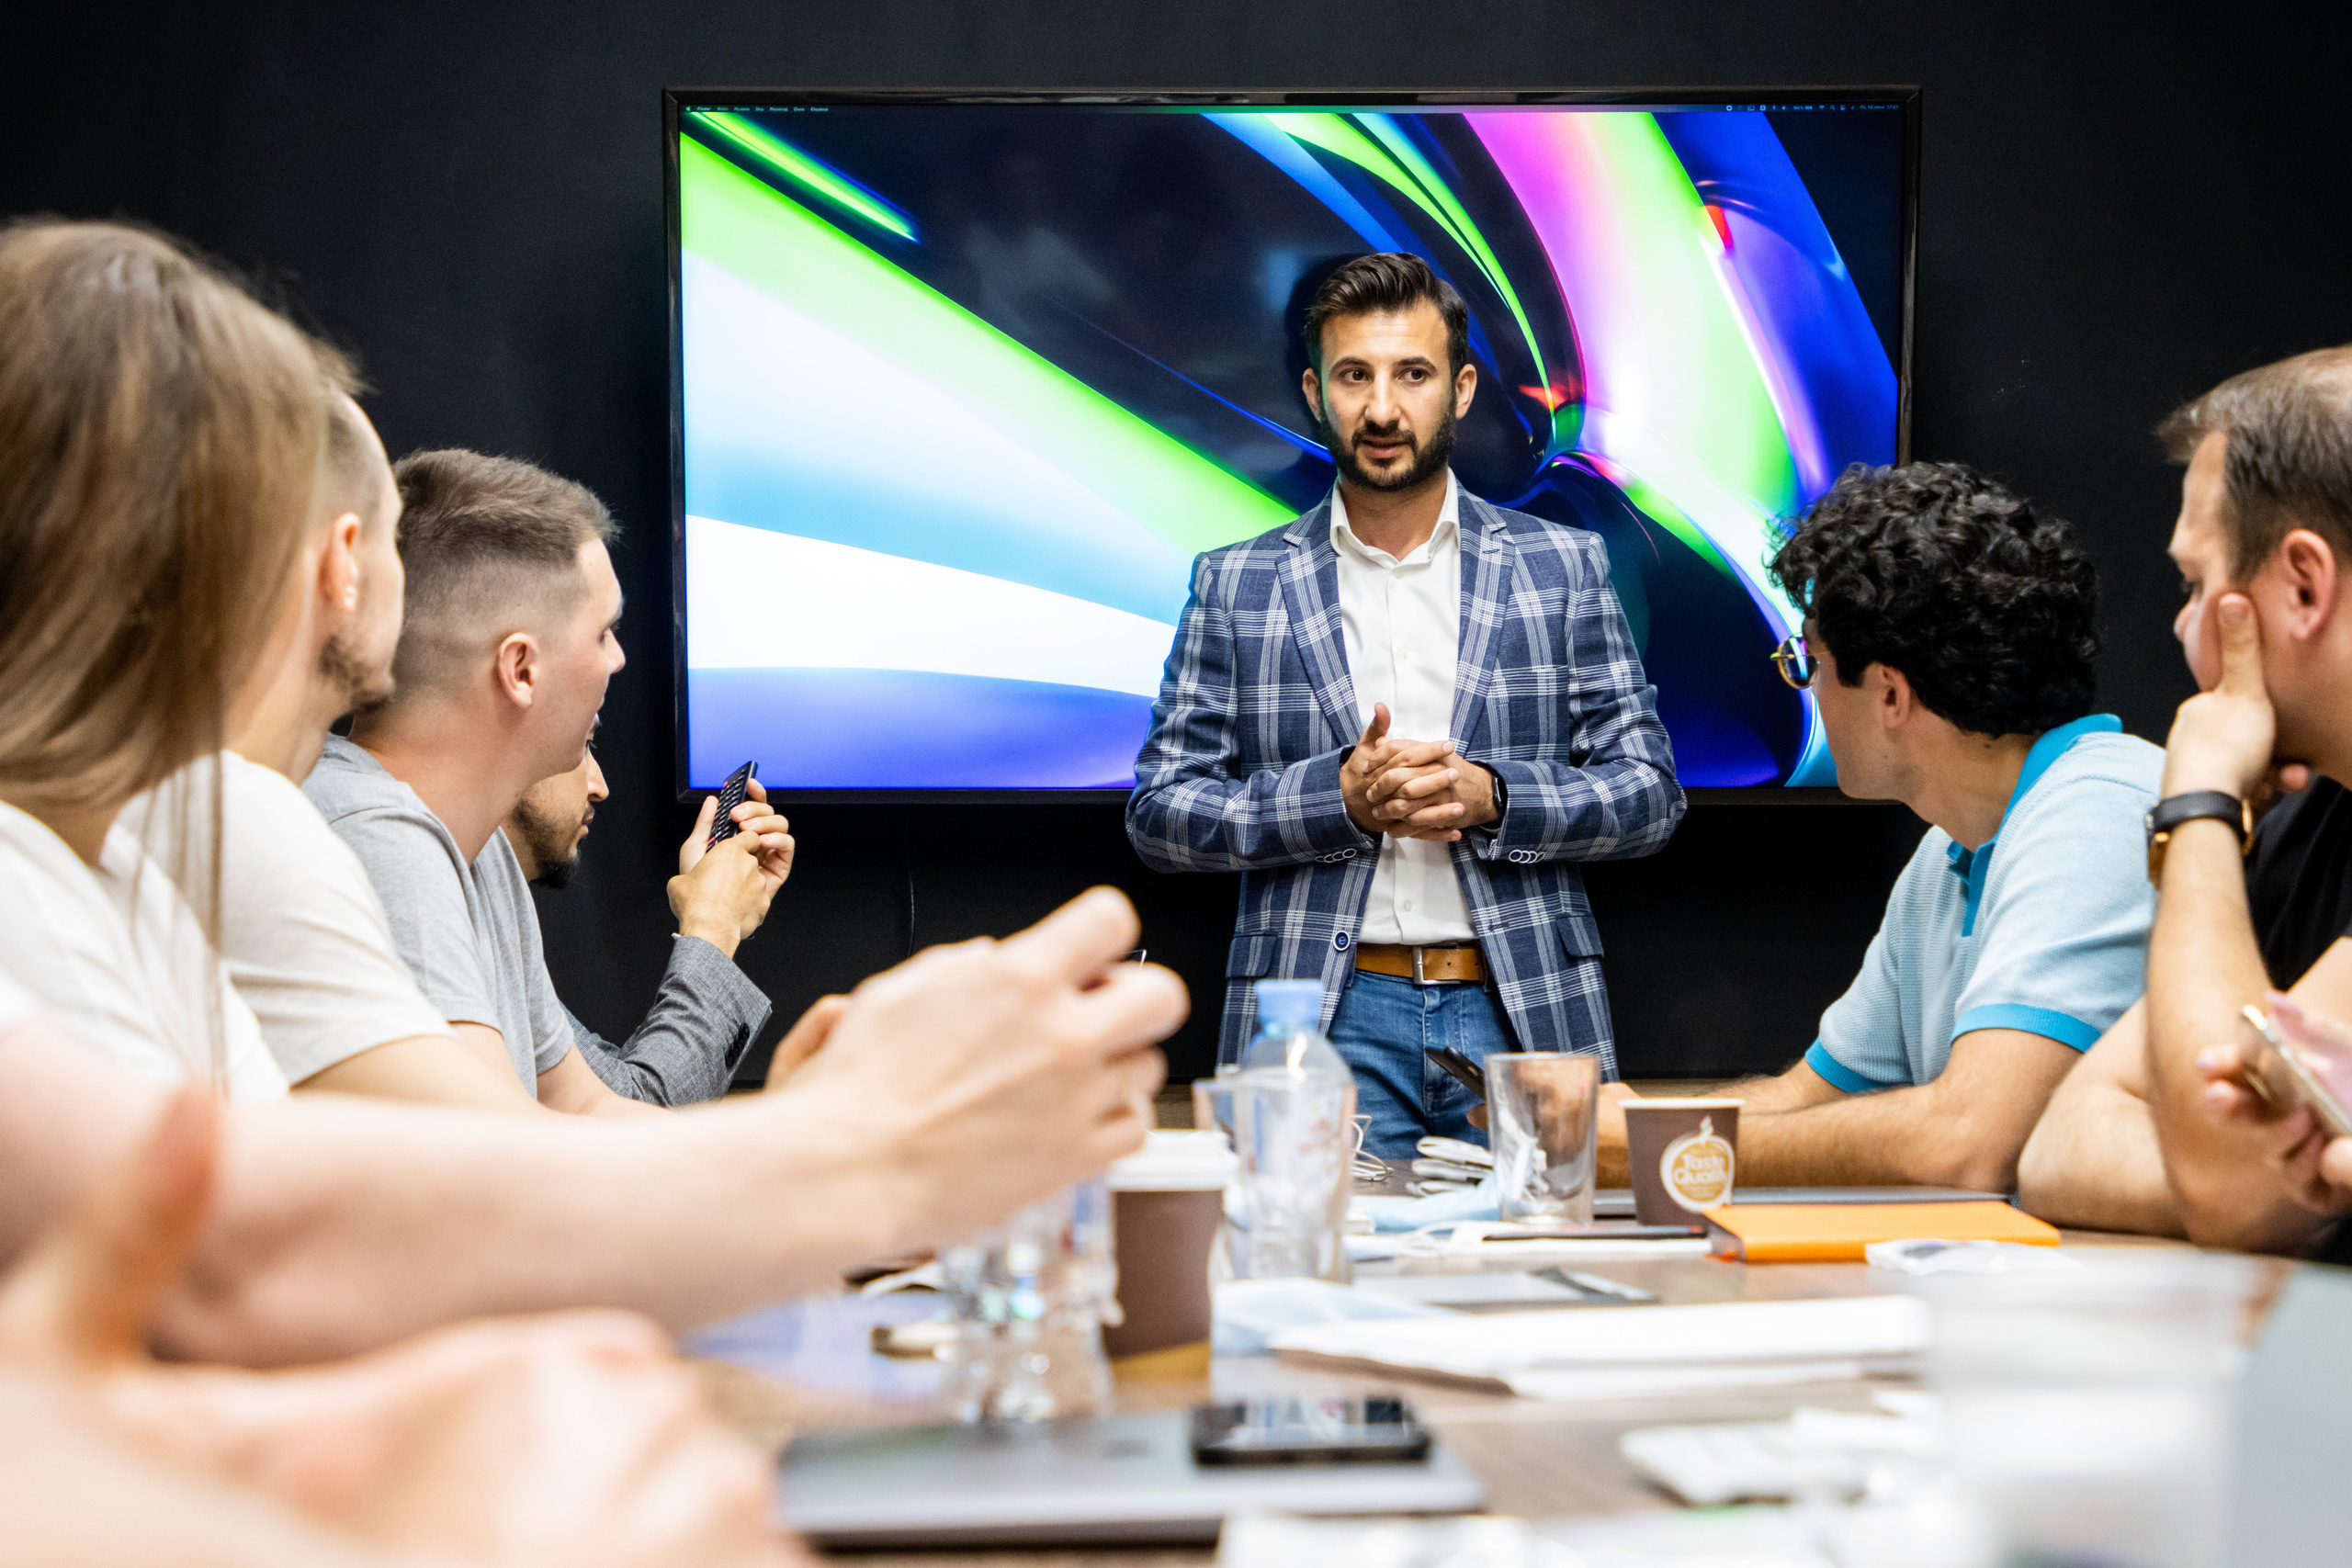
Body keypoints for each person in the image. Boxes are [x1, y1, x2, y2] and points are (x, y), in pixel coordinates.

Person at [0, 217, 1181, 1363]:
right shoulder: (277, 830)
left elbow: (510, 1155)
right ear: (337, 563)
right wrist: (854, 1143)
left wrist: (812, 1137)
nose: (620, 663)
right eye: (607, 633)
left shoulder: (203, 838)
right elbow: (325, 1244)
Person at [1126, 252, 1683, 1157]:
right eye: (1354, 375)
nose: (1382, 409)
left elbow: (1649, 794)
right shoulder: (1237, 583)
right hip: (1322, 1021)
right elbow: (1160, 813)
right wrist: (1334, 801)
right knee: (1311, 1281)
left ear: (1460, 390)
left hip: (1524, 1004)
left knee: (1531, 1287)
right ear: (1315, 391)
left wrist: (1492, 796)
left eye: (1412, 374)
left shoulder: (1563, 567)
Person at [0, 1037, 794, 1568]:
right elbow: (237, 1253)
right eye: (591, 764)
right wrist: (837, 1147)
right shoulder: (367, 831)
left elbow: (582, 1113)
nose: (600, 782)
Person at [1599, 462, 2162, 1192]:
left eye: (1810, 661)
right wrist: (1617, 1123)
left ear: (1891, 693)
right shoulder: (1950, 847)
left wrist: (1667, 1147)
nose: (1805, 687)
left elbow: (1968, 1143)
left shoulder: (2101, 808)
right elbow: (1813, 1099)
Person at [305, 447, 787, 1114]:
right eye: (604, 633)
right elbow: (512, 1170)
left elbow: (595, 1111)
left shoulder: (482, 854)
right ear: (522, 669)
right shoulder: (378, 842)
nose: (618, 659)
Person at [2018, 347, 2352, 1251]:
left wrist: (2198, 801)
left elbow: (2233, 1185)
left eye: (2195, 583)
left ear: (2302, 585)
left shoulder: (2229, 807)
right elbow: (2060, 1141)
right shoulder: (2311, 821)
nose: (2180, 622)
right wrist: (2262, 1187)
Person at [503, 727, 775, 1104]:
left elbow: (607, 1081)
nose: (600, 786)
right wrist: (713, 922)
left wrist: (715, 907)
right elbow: (641, 1115)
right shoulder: (432, 882)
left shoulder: (486, 885)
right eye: (582, 745)